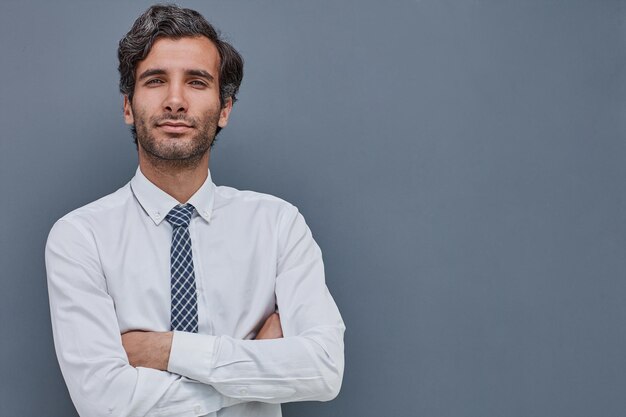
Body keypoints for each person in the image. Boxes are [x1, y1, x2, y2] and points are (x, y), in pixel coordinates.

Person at [45, 4, 345, 417]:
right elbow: (106, 403)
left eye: (197, 82)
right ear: (128, 106)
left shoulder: (278, 225)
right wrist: (255, 367)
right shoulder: (80, 237)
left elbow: (325, 370)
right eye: (155, 81)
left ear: (224, 109)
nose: (174, 100)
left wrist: (165, 350)